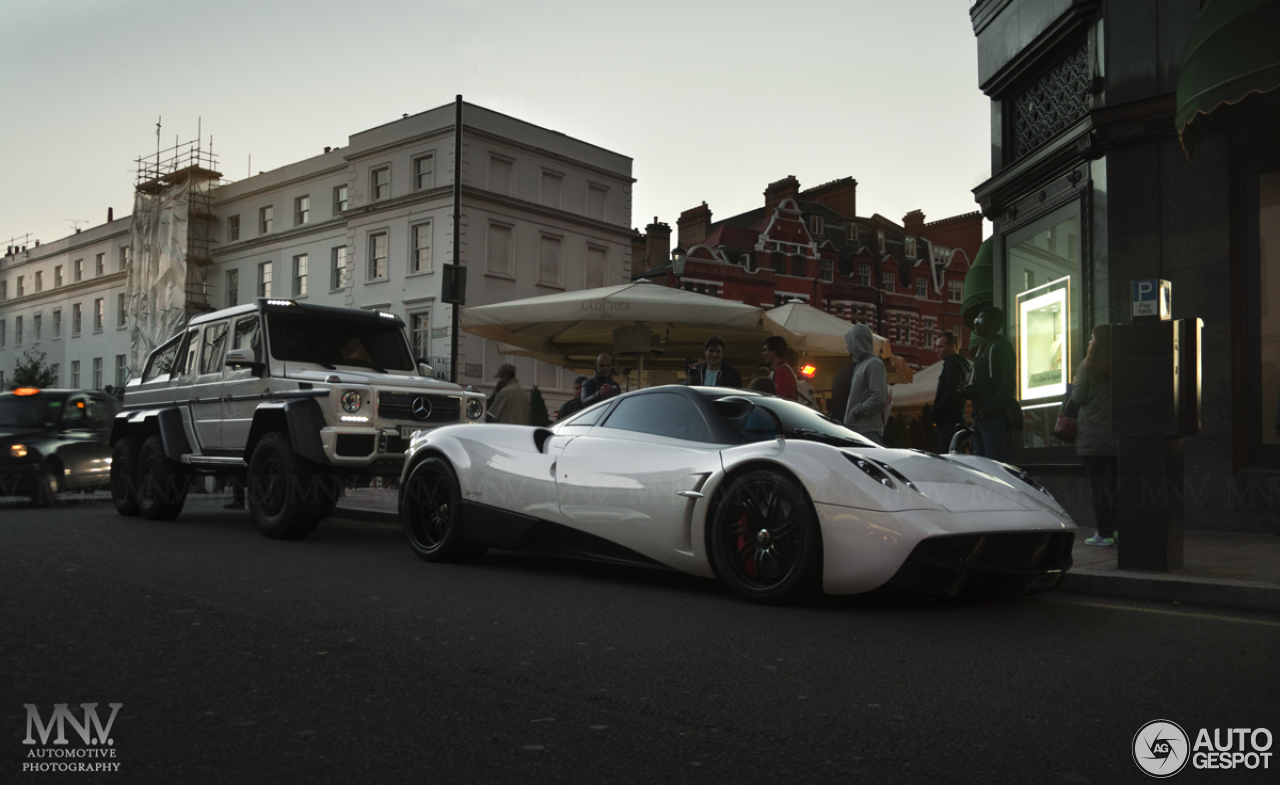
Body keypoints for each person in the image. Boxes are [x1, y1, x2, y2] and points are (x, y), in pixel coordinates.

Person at [1075, 325, 1119, 546]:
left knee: (1099, 485)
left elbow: (1079, 396)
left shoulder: (1088, 366)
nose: (1090, 340)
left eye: (1092, 337)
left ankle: (1104, 533)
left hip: (1094, 433)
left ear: (1098, 341)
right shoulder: (1121, 365)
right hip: (1119, 433)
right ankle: (1117, 529)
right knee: (1115, 484)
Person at [961, 306, 1017, 462]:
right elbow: (986, 384)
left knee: (996, 468)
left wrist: (988, 409)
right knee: (984, 468)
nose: (976, 324)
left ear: (993, 324)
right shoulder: (982, 348)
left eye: (980, 320)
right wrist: (969, 391)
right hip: (980, 417)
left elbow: (1007, 384)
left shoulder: (1001, 346)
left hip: (993, 418)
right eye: (975, 321)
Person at [842, 324, 888, 444]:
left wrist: (857, 411)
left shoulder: (874, 364)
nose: (848, 347)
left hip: (867, 431)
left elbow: (878, 398)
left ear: (857, 343)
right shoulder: (861, 364)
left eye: (851, 342)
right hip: (858, 430)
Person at [931, 329, 973, 454]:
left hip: (948, 422)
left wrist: (936, 411)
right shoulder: (960, 364)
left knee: (945, 459)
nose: (937, 350)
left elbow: (951, 391)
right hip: (954, 419)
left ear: (952, 347)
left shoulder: (952, 364)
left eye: (940, 346)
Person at [761, 336, 798, 401]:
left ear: (773, 352)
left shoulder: (781, 371)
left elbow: (780, 399)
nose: (763, 353)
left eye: (765, 350)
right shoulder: (783, 369)